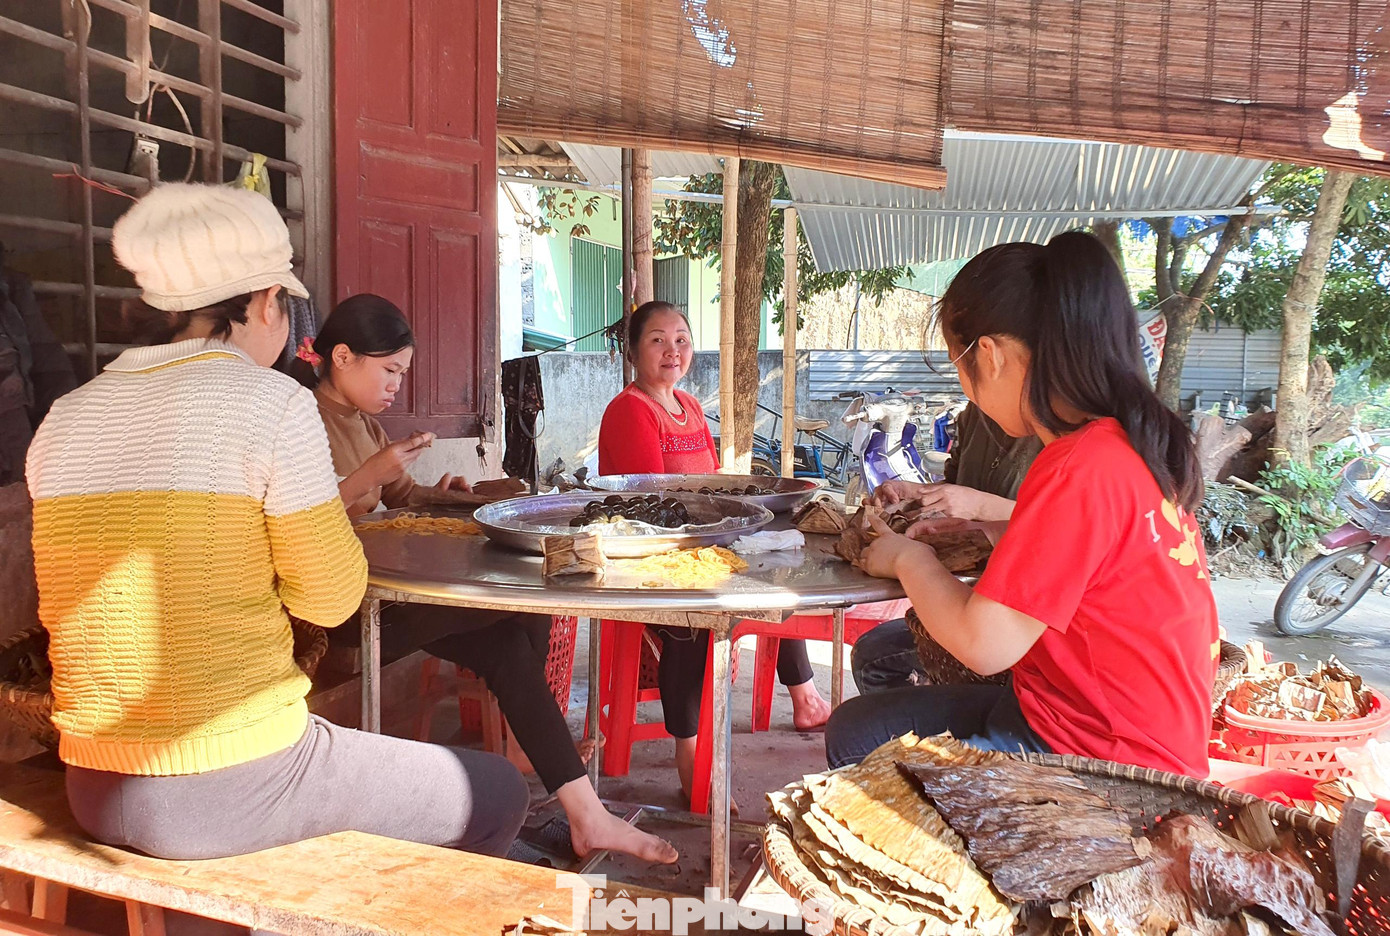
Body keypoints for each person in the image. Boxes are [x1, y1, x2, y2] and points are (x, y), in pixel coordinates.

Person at [25, 183, 528, 860]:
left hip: (94, 779)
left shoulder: (65, 417)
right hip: (235, 777)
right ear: (267, 302)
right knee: (496, 793)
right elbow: (328, 598)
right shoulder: (270, 402)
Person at [824, 232, 1218, 778]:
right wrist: (984, 531)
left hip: (1106, 758)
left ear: (990, 355)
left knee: (857, 739)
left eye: (958, 366)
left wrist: (907, 559)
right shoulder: (1123, 444)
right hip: (1094, 720)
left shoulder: (1079, 464)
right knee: (860, 718)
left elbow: (984, 647)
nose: (966, 388)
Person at [300, 293, 676, 864]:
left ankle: (581, 810)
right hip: (345, 611)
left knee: (510, 636)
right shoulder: (301, 422)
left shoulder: (363, 424)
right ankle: (535, 751)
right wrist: (367, 478)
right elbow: (300, 521)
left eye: (402, 373)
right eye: (390, 371)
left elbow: (402, 498)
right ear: (344, 357)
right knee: (523, 595)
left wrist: (451, 493)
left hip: (392, 595)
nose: (396, 386)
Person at [597, 301, 832, 803]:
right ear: (634, 349)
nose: (672, 350)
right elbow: (655, 501)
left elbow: (711, 483)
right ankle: (691, 751)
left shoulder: (689, 407)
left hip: (701, 542)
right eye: (658, 339)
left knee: (776, 576)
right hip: (648, 556)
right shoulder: (629, 410)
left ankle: (804, 695)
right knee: (695, 616)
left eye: (681, 338)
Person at [850, 405, 1041, 694]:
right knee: (872, 652)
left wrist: (981, 506)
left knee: (874, 662)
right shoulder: (975, 415)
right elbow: (956, 490)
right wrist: (917, 495)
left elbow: (1066, 524)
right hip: (970, 589)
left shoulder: (1068, 433)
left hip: (1023, 615)